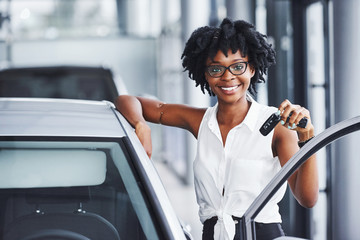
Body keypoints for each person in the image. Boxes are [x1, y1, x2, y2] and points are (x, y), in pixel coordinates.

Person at [115, 18, 318, 240]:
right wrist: (140, 126)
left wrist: (307, 136)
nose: (228, 76)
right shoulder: (199, 121)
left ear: (251, 68)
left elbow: (307, 198)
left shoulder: (275, 125)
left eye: (238, 66)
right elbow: (127, 100)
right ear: (205, 74)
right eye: (216, 69)